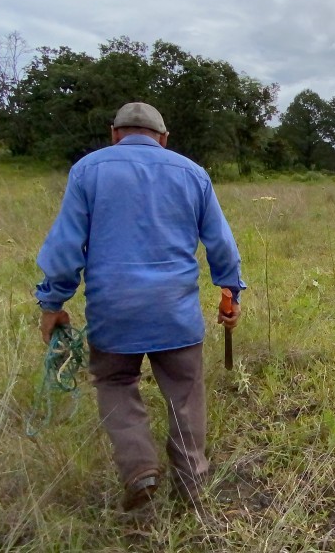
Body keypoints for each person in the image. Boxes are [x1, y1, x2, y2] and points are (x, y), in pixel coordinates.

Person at [35, 102, 245, 511]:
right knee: (184, 393)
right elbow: (221, 243)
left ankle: (140, 469)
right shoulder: (191, 173)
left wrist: (52, 303)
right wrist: (230, 294)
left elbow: (64, 248)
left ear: (115, 133)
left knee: (115, 382)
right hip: (175, 311)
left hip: (113, 310)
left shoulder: (87, 171)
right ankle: (192, 484)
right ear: (163, 139)